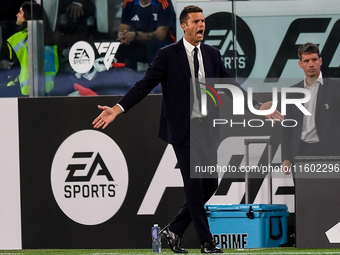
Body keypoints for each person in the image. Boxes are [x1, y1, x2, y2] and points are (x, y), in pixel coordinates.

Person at [93, 5, 283, 253]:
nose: (202, 25)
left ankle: (174, 229)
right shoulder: (167, 54)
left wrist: (258, 106)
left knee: (210, 185)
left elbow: (231, 86)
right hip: (183, 131)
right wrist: (117, 109)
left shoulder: (213, 54)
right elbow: (144, 85)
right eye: (196, 21)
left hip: (207, 130)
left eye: (203, 21)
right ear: (184, 25)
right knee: (194, 186)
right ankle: (207, 242)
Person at [281, 42, 340, 174]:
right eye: (306, 61)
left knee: (331, 194)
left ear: (320, 61)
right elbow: (287, 127)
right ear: (300, 64)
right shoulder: (292, 91)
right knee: (303, 195)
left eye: (314, 59)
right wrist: (286, 158)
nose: (311, 64)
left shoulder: (336, 86)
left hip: (330, 153)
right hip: (301, 151)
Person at [2, 1, 59, 96]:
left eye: (20, 13)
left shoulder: (16, 39)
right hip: (53, 89)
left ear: (28, 17)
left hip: (24, 90)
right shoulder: (52, 37)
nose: (17, 15)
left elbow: (12, 69)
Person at [115, 0, 176, 70]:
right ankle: (120, 78)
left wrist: (135, 35)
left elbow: (161, 35)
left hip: (165, 45)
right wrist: (123, 37)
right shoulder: (128, 2)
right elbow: (123, 30)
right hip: (141, 44)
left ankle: (155, 78)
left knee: (152, 46)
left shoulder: (163, 2)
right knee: (117, 46)